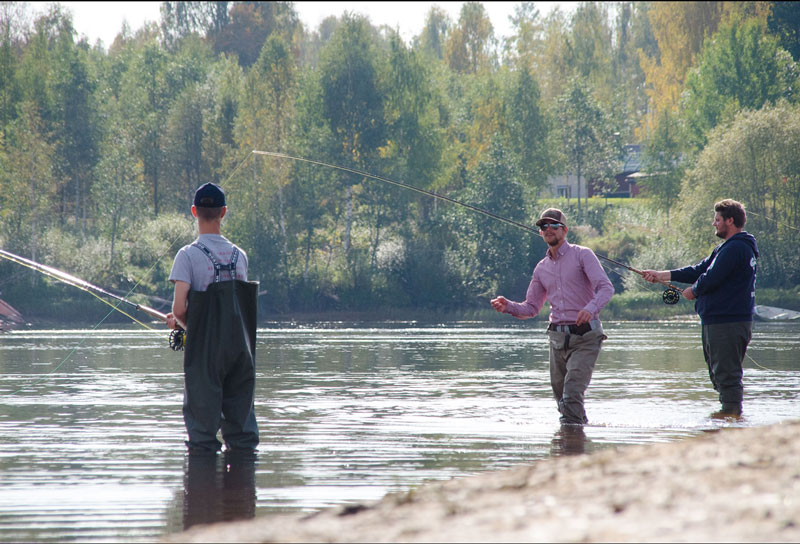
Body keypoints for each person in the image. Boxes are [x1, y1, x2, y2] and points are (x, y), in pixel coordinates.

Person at [491, 208, 614, 425]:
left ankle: (571, 448)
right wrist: (507, 306)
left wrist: (590, 308)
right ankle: (575, 439)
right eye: (543, 226)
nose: (548, 229)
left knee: (572, 392)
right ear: (540, 232)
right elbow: (530, 308)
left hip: (586, 337)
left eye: (553, 226)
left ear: (564, 230)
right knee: (562, 400)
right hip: (557, 340)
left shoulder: (583, 254)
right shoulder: (541, 269)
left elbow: (606, 288)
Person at [642, 199, 758, 418]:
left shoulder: (736, 248)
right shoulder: (725, 249)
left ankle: (732, 418)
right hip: (718, 321)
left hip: (727, 322)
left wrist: (692, 292)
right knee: (719, 373)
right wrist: (661, 275)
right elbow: (699, 270)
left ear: (730, 220)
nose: (714, 224)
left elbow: (710, 277)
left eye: (717, 219)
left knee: (727, 375)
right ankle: (729, 417)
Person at [166, 182, 260, 452]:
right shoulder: (239, 256)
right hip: (241, 353)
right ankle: (241, 488)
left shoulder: (187, 256)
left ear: (194, 212)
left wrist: (180, 324)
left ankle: (203, 487)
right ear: (224, 212)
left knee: (202, 435)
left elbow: (180, 309)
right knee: (242, 435)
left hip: (206, 353)